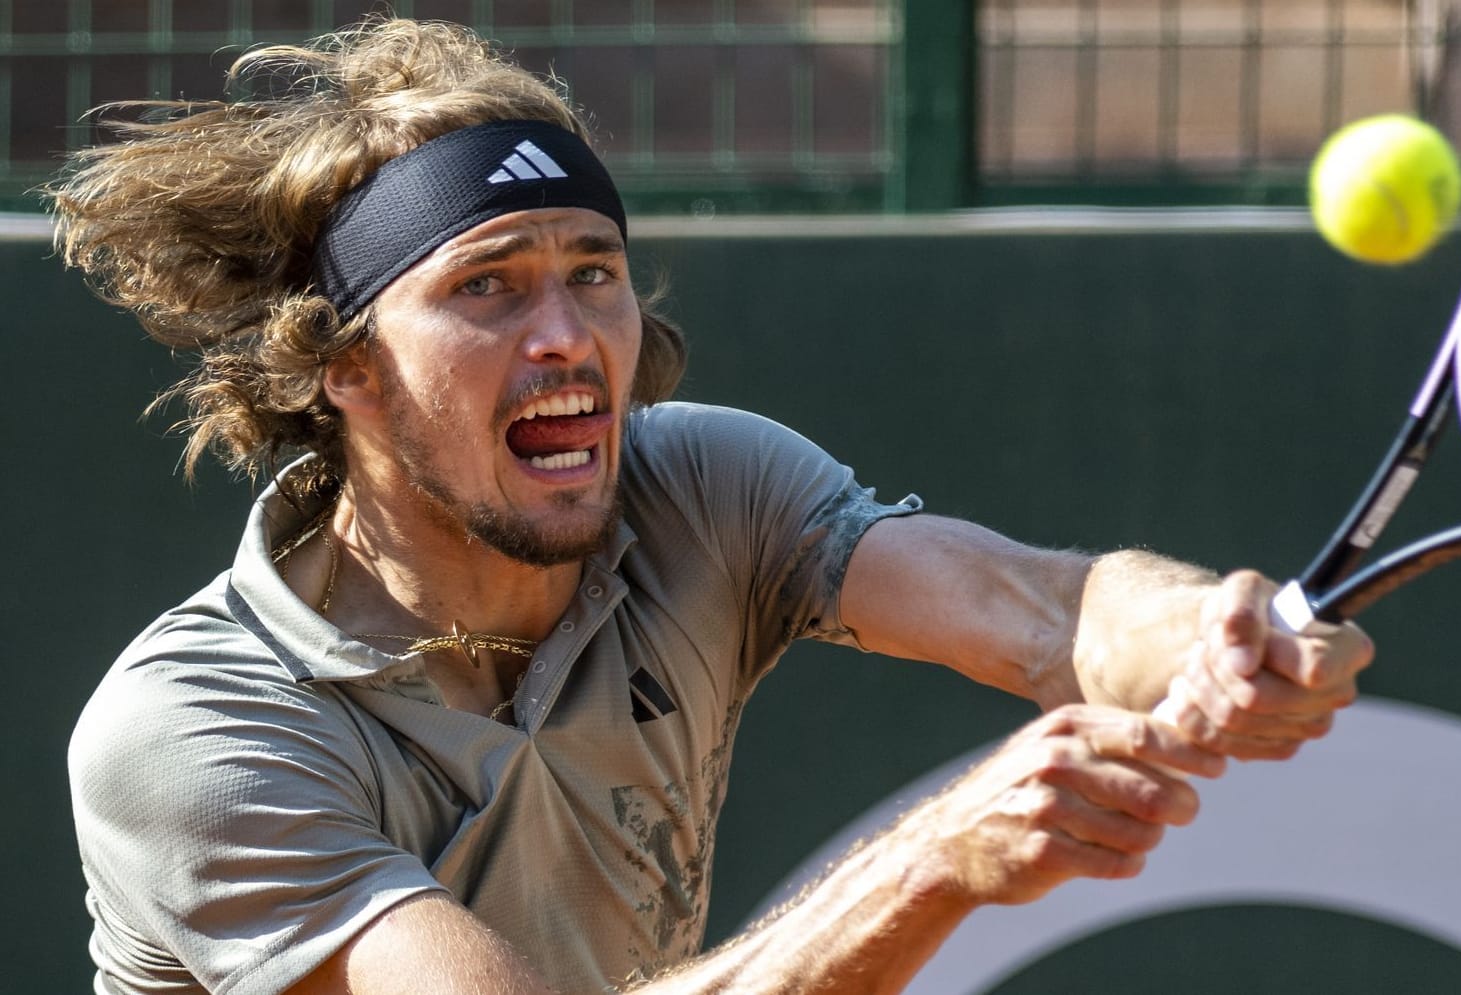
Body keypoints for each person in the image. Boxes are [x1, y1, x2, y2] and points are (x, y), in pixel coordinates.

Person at [55, 18, 1373, 995]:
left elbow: (1035, 607)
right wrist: (934, 861)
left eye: (594, 272)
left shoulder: (697, 486)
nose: (566, 334)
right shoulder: (195, 735)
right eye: (488, 287)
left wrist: (1205, 635)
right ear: (346, 370)